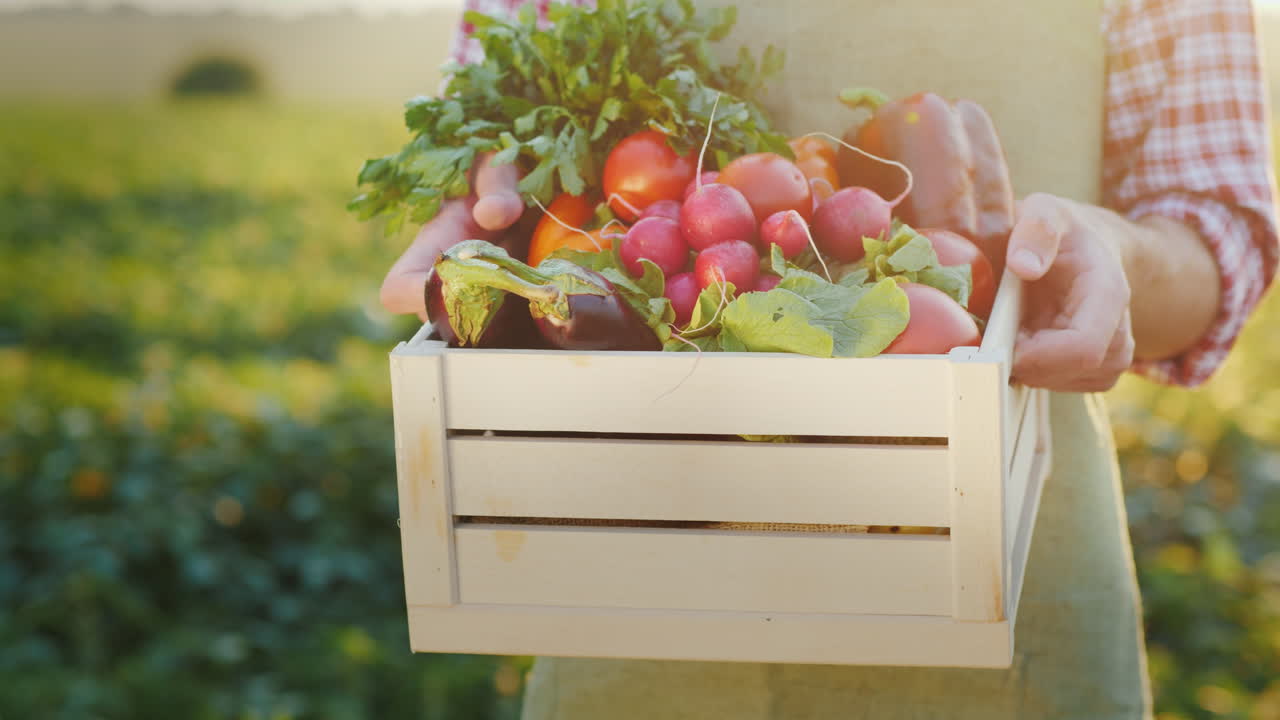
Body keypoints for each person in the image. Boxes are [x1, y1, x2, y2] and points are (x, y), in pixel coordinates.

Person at [380, 0, 1279, 717]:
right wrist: (487, 195)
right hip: (635, 584)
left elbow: (1220, 230)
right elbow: (491, 116)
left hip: (1010, 573)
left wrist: (1116, 254)